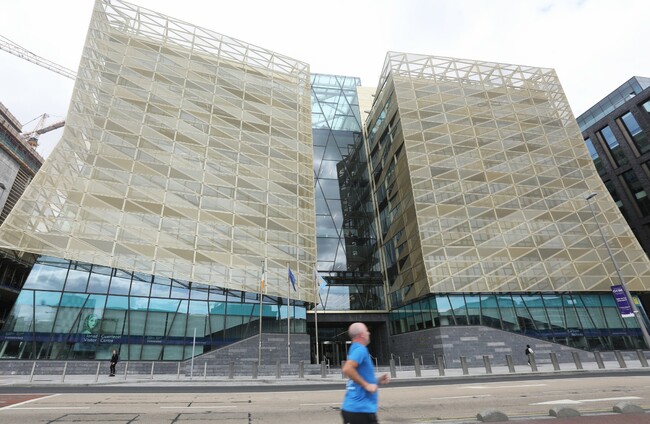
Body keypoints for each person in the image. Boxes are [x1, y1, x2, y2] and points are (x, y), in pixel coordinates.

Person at [341, 322, 390, 424]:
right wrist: (366, 385)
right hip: (361, 410)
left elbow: (358, 375)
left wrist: (377, 381)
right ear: (362, 335)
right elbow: (347, 368)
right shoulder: (360, 349)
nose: (369, 333)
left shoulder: (354, 348)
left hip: (353, 409)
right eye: (367, 331)